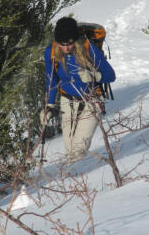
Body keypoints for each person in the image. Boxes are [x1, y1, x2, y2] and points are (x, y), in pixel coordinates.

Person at [41, 17, 116, 163]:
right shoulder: (50, 52)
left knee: (78, 150)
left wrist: (94, 75)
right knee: (69, 149)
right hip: (67, 101)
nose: (67, 48)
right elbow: (51, 80)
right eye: (62, 44)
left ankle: (77, 181)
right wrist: (48, 106)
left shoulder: (89, 49)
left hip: (92, 101)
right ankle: (74, 181)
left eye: (70, 43)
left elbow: (111, 75)